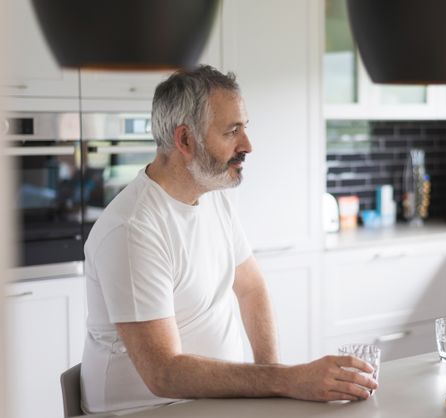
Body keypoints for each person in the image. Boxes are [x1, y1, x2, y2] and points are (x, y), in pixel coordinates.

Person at [80, 65, 378, 414]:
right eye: (232, 131)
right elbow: (163, 373)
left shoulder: (213, 193)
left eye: (244, 128)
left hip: (215, 402)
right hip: (150, 408)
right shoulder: (133, 230)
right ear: (185, 140)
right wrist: (286, 381)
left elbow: (251, 288)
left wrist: (274, 381)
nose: (247, 145)